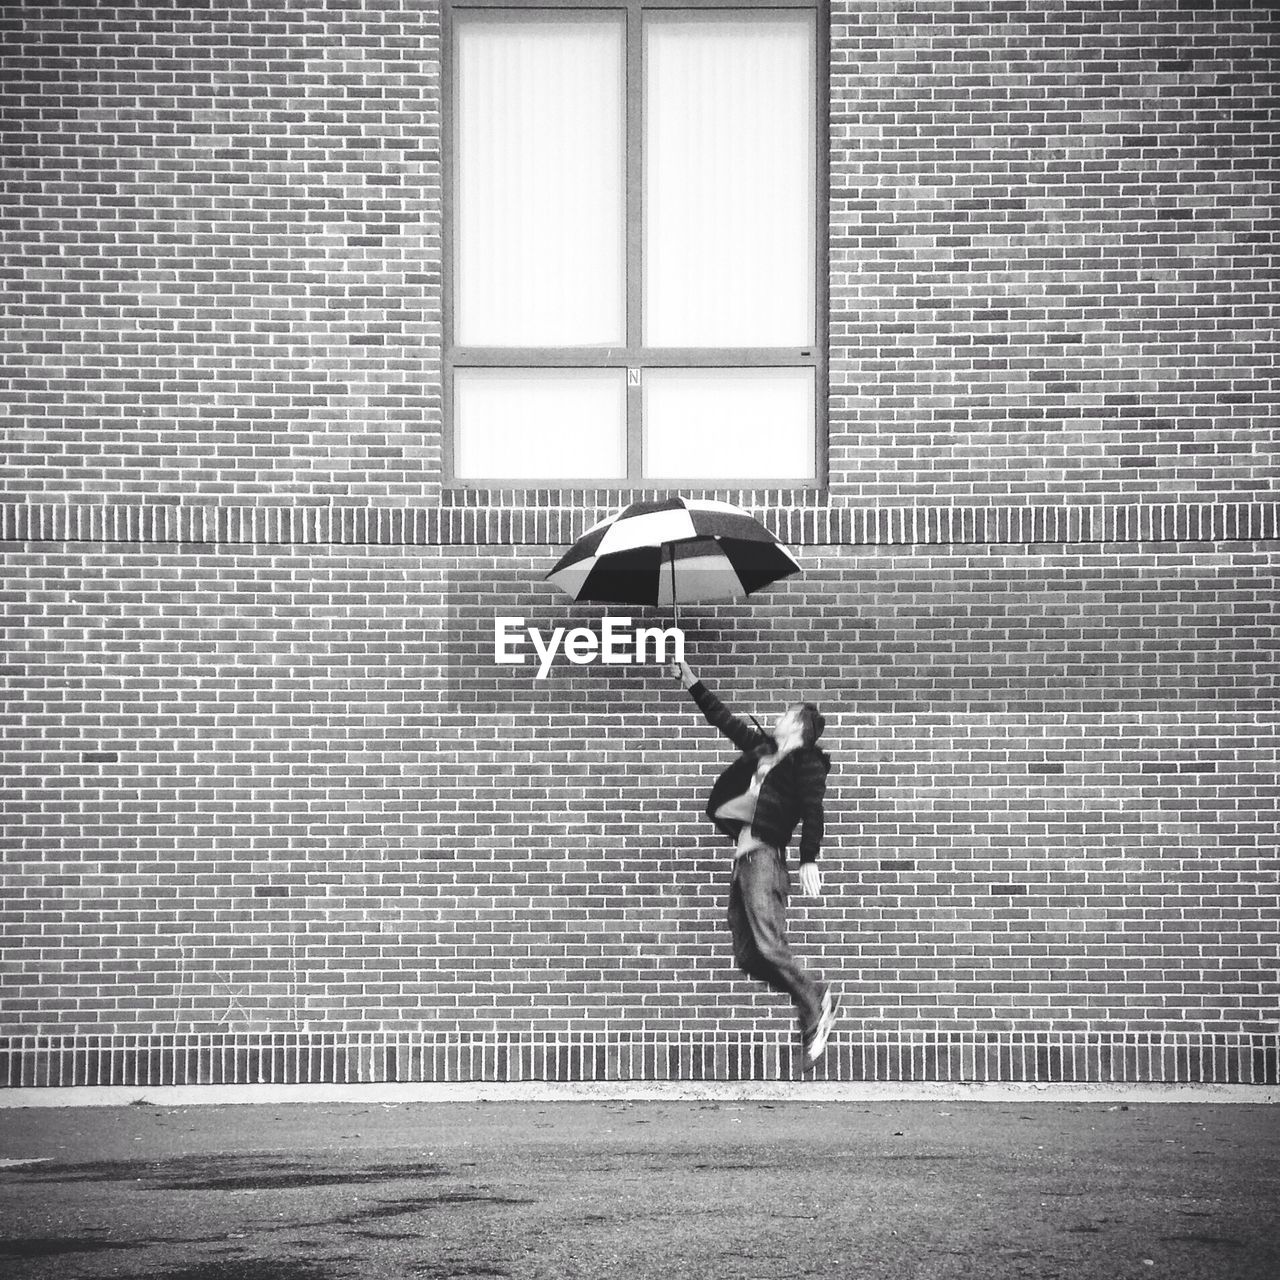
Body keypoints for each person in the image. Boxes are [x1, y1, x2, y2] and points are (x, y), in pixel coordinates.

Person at [671, 660, 838, 1069]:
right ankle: (812, 999)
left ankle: (815, 1003)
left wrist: (809, 859)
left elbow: (813, 810)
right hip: (743, 860)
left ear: (798, 725)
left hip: (765, 857)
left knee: (769, 944)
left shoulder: (807, 762)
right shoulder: (765, 752)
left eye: (785, 715)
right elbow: (725, 722)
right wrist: (692, 681)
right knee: (748, 955)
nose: (777, 719)